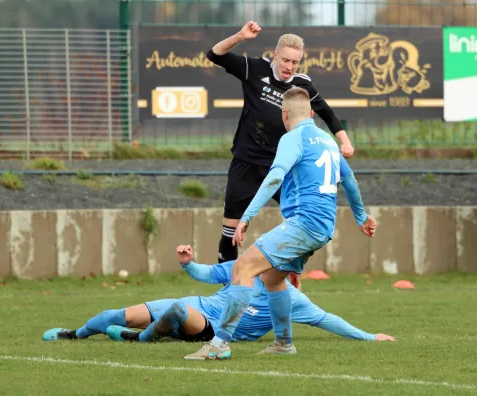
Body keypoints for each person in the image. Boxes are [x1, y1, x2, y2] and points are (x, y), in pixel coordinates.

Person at [183, 87, 376, 361]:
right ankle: (284, 342)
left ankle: (219, 344)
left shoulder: (292, 138)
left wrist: (247, 216)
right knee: (272, 278)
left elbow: (274, 177)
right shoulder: (328, 140)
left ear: (284, 115)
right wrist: (361, 217)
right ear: (311, 114)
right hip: (323, 227)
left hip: (304, 224)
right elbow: (350, 181)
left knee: (242, 267)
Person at [207, 21, 355, 268]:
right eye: (285, 60)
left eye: (295, 62)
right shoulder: (254, 69)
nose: (289, 67)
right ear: (275, 55)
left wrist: (345, 142)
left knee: (300, 222)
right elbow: (215, 54)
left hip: (282, 166)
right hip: (246, 162)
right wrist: (241, 36)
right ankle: (227, 291)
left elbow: (327, 113)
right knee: (230, 231)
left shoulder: (302, 85)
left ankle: (290, 274)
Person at [42, 246, 394, 345]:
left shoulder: (291, 299)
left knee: (179, 310)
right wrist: (188, 264)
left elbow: (328, 320)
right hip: (197, 305)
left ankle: (138, 340)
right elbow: (207, 274)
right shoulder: (244, 267)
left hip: (207, 326)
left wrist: (369, 336)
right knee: (110, 315)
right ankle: (73, 334)